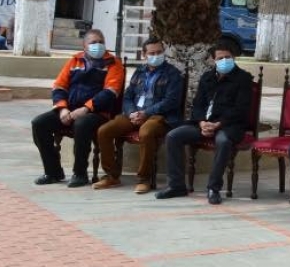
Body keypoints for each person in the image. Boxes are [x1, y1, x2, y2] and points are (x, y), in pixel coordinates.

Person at [156, 38, 255, 205]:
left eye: (228, 57)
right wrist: (202, 122)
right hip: (203, 125)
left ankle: (213, 188)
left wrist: (218, 124)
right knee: (173, 136)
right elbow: (197, 105)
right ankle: (176, 185)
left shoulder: (243, 78)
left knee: (223, 142)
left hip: (228, 126)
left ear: (233, 58)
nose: (224, 61)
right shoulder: (207, 77)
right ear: (213, 60)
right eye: (220, 58)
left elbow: (241, 109)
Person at [31, 29, 125, 187]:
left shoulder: (114, 63)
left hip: (98, 112)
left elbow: (110, 92)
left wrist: (86, 108)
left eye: (101, 42)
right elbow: (59, 87)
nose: (98, 45)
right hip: (69, 110)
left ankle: (80, 173)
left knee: (82, 124)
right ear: (84, 46)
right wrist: (62, 109)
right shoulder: (74, 61)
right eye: (93, 42)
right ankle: (53, 172)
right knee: (39, 123)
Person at [93, 37, 184, 192]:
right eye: (152, 53)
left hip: (159, 116)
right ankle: (111, 176)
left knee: (146, 132)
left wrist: (146, 113)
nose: (156, 56)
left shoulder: (173, 73)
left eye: (159, 52)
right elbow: (128, 96)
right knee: (104, 131)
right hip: (134, 114)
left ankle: (144, 178)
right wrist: (131, 113)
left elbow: (171, 101)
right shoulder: (139, 72)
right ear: (144, 55)